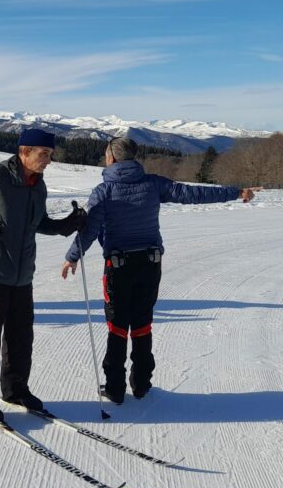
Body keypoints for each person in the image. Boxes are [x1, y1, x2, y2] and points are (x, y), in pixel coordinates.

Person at [61, 137, 261, 404]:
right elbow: (192, 194)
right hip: (150, 264)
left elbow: (90, 230)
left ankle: (115, 388)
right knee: (142, 324)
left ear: (112, 158)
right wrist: (236, 192)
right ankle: (142, 385)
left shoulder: (104, 190)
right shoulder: (153, 183)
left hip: (118, 267)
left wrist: (72, 257)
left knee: (117, 327)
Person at [0, 128, 86, 423]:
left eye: (50, 154)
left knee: (21, 337)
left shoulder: (38, 185)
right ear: (24, 152)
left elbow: (38, 223)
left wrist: (66, 225)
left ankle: (15, 390)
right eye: (44, 154)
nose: (49, 160)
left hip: (23, 275)